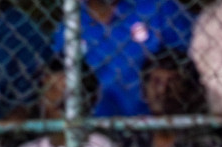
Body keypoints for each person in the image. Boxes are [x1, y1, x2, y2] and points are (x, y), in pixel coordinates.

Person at [53, 0, 194, 116]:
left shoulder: (159, 7)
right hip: (95, 131)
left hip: (156, 127)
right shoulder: (69, 26)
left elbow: (193, 67)